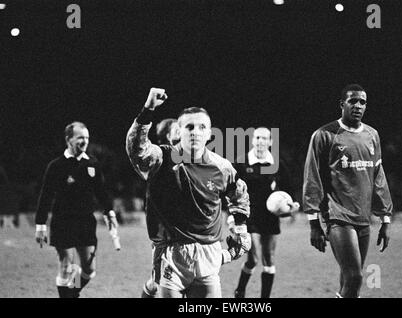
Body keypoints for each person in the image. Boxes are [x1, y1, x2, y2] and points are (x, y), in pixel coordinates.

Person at [126, 87, 251, 298]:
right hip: (172, 255)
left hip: (209, 253)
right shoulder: (162, 159)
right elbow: (136, 149)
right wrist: (148, 109)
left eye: (202, 127)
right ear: (179, 131)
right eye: (189, 127)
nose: (195, 131)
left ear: (210, 133)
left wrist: (240, 226)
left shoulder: (222, 167)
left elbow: (239, 194)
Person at [302, 84, 393, 298]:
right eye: (353, 101)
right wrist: (314, 223)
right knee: (355, 277)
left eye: (362, 102)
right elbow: (312, 177)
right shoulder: (324, 135)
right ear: (342, 104)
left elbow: (378, 177)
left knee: (348, 277)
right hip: (338, 216)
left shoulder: (372, 135)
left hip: (363, 217)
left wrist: (385, 219)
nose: (358, 106)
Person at [35, 122, 118, 298]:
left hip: (85, 222)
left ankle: (72, 291)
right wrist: (40, 224)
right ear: (68, 140)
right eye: (80, 138)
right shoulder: (56, 166)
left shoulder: (92, 163)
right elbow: (45, 196)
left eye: (87, 138)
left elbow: (101, 192)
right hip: (62, 222)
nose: (85, 141)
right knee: (67, 265)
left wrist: (109, 211)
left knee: (89, 270)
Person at [233, 127, 298, 298]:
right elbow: (231, 191)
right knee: (253, 259)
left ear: (270, 142)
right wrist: (232, 216)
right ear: (252, 140)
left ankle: (265, 301)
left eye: (264, 138)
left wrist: (293, 205)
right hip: (248, 216)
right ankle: (240, 290)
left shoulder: (277, 164)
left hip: (270, 217)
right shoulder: (241, 163)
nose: (260, 141)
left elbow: (290, 189)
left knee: (269, 258)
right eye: (257, 138)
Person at [141, 118, 180, 298]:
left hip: (183, 231)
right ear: (167, 135)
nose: (182, 132)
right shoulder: (160, 158)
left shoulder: (185, 158)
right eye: (177, 129)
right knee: (158, 284)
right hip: (164, 232)